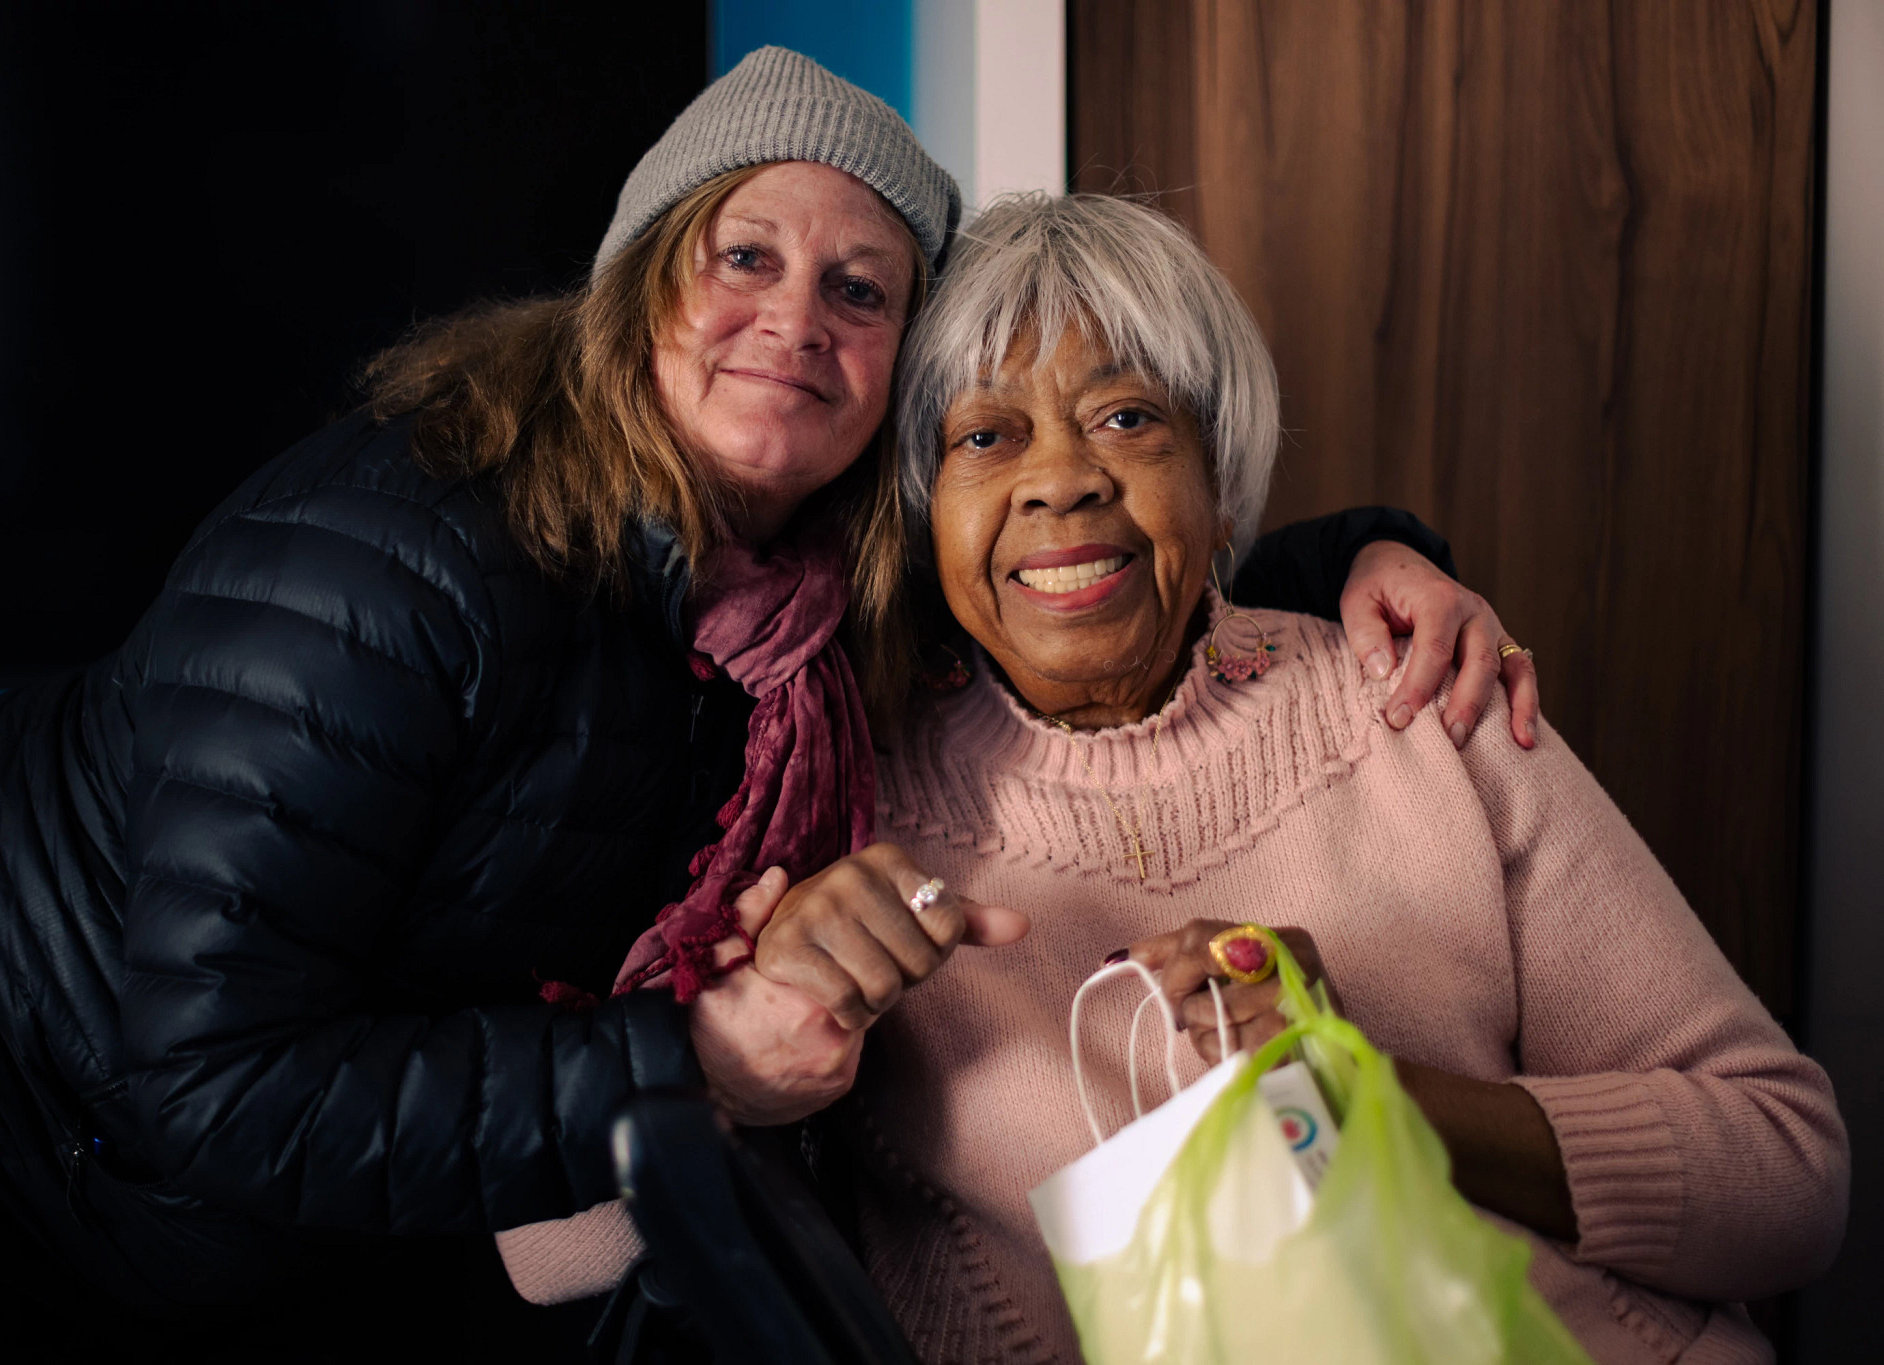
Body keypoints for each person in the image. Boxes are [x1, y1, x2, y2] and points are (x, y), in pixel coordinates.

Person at [0, 48, 1527, 1351]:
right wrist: (698, 1058)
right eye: (744, 257)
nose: (793, 321)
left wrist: (1364, 560)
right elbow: (211, 1082)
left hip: (209, 1175)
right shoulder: (394, 562)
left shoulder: (810, 594)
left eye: (861, 289)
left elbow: (1069, 567)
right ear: (640, 284)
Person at [743, 194, 1850, 1365]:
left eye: (1126, 417)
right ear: (921, 513)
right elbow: (618, 1229)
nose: (1060, 480)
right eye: (984, 437)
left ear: (1220, 481)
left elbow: (1787, 1173)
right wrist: (764, 1014)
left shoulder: (1413, 697)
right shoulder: (835, 801)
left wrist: (1363, 1095)